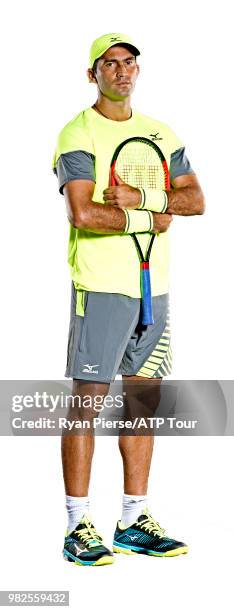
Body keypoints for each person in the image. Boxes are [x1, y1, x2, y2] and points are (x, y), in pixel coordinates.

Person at [53, 32, 205, 566]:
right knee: (86, 406)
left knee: (143, 404)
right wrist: (153, 216)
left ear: (137, 72)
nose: (122, 71)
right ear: (92, 74)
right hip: (100, 289)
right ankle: (77, 526)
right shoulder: (77, 133)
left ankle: (132, 520)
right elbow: (84, 214)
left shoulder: (161, 134)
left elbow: (195, 201)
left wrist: (141, 199)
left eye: (129, 63)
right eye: (110, 63)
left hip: (153, 293)